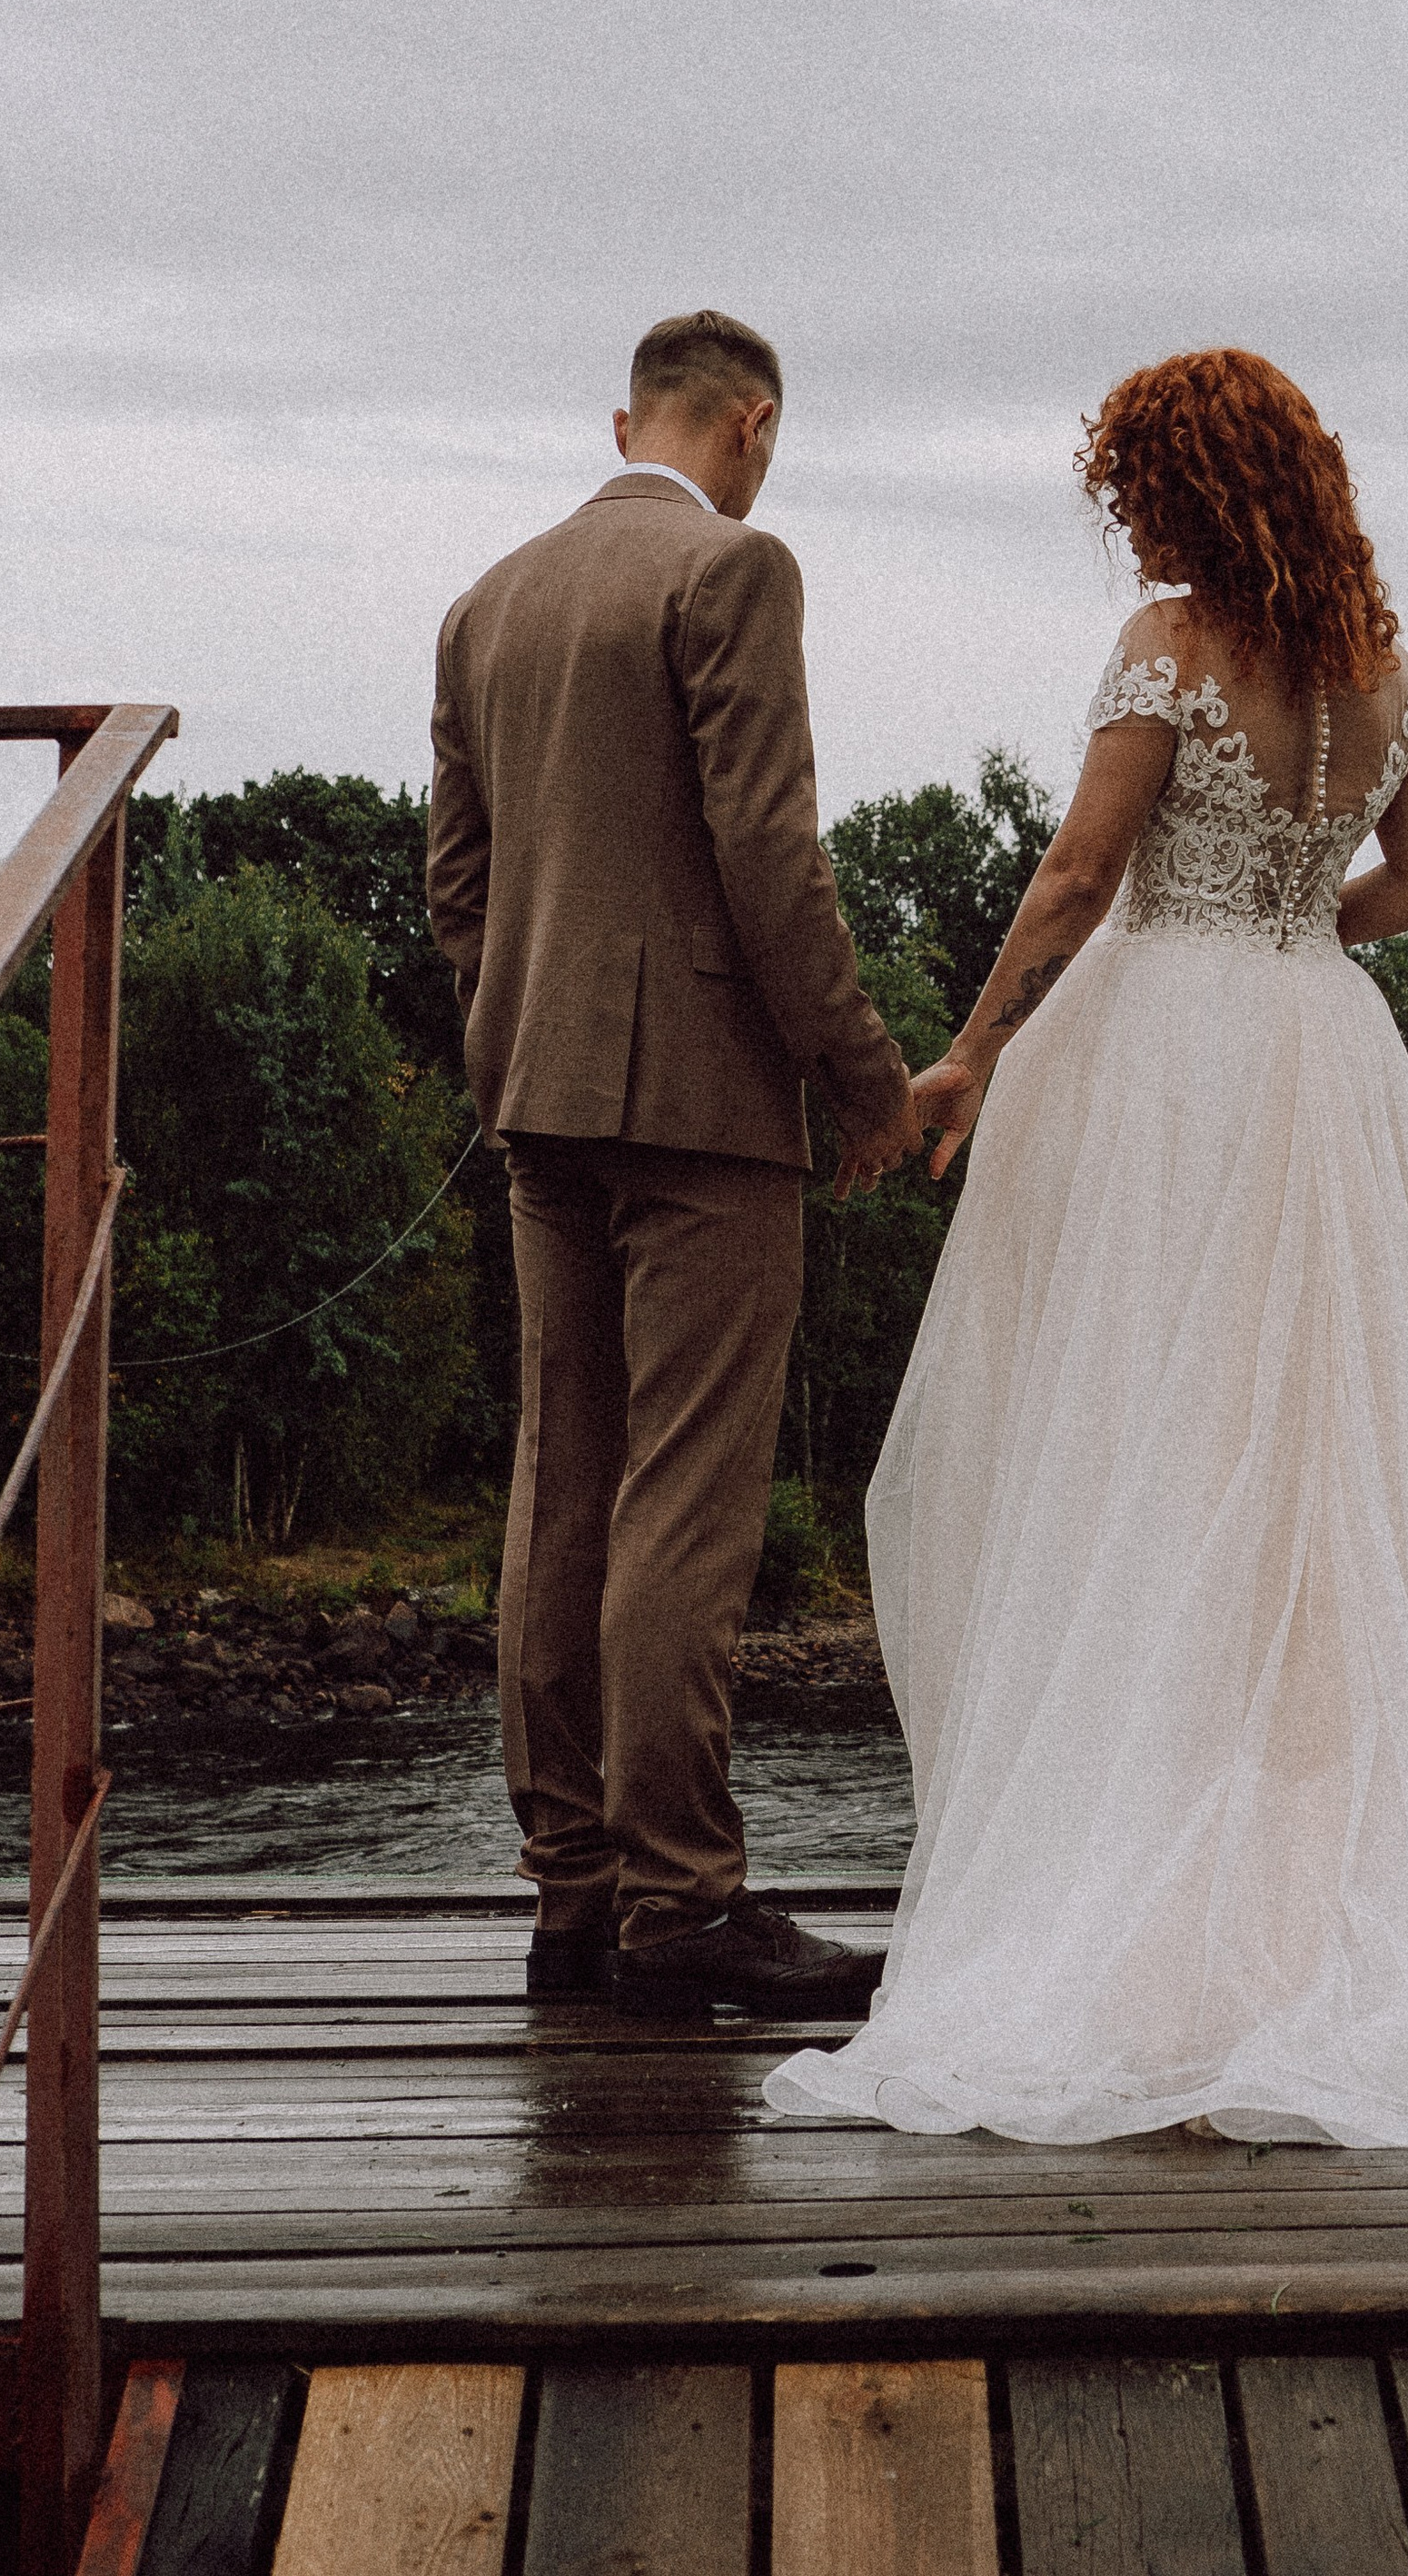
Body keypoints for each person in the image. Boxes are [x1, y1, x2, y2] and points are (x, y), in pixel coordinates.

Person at [767, 346, 1408, 2144]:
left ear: (1174, 487)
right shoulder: (1383, 660)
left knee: (1143, 1441)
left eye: (1131, 483)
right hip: (1322, 1051)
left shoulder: (1166, 641)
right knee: (1323, 1469)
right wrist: (1303, 926)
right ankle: (1328, 1887)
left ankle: (1164, 1910)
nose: (1122, 513)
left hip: (1173, 1059)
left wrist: (975, 1047)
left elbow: (1077, 876)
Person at [428, 308, 920, 2017]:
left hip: (536, 1103)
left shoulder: (487, 603)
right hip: (707, 1108)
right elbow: (773, 861)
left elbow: (458, 887)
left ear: (622, 418)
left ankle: (572, 1890)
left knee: (562, 1482)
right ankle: (685, 1903)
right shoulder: (737, 575)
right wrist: (869, 1085)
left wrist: (514, 1039)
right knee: (687, 1507)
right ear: (754, 424)